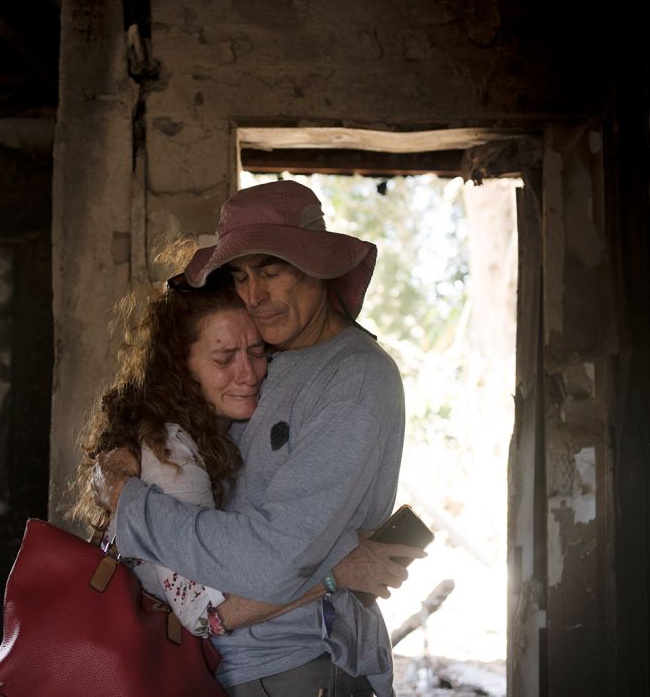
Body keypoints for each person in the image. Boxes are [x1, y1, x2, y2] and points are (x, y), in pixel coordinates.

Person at [94, 179, 417, 696]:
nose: (254, 295)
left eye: (272, 270)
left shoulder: (353, 378)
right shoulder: (269, 357)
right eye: (241, 275)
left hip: (298, 663)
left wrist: (130, 505)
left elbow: (271, 560)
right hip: (235, 663)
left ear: (318, 265)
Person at [72, 263, 410, 641]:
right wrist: (337, 571)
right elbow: (204, 612)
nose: (248, 373)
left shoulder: (209, 436)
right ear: (181, 368)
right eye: (224, 358)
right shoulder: (171, 454)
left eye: (257, 351)